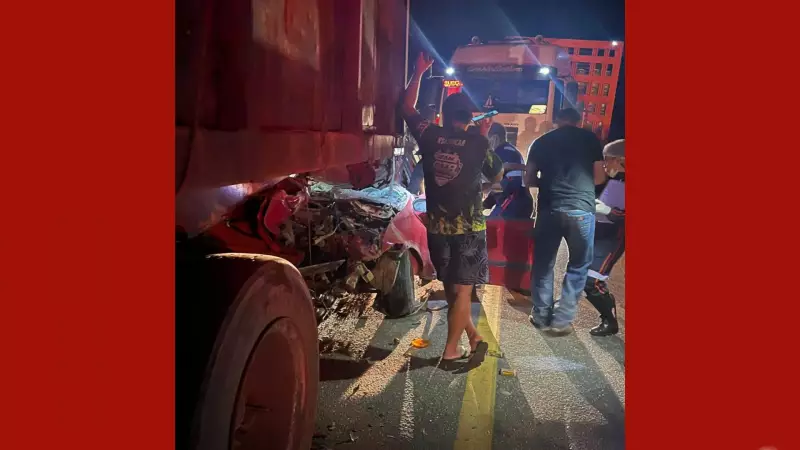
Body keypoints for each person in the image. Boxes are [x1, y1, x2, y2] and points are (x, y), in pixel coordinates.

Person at [402, 53, 504, 361]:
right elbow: (496, 174)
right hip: (469, 230)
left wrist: (419, 72)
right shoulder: (477, 142)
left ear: (444, 116)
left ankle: (473, 339)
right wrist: (483, 136)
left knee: (451, 286)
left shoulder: (430, 135)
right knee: (463, 291)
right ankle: (449, 350)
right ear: (469, 117)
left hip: (436, 228)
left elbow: (406, 107)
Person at [525, 108, 607, 335]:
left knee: (543, 264)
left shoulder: (541, 142)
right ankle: (561, 318)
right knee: (579, 264)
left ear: (556, 121)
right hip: (581, 209)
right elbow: (600, 177)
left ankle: (541, 315)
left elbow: (529, 179)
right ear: (578, 120)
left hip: (550, 209)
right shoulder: (590, 140)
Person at [585, 139, 625, 336]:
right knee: (585, 277)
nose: (605, 164)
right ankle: (608, 317)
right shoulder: (617, 179)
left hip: (614, 238)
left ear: (621, 160)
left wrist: (609, 211)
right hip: (602, 232)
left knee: (592, 281)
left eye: (608, 160)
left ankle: (610, 321)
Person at [483, 123, 534, 219]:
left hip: (513, 206)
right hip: (514, 204)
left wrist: (487, 188)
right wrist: (486, 205)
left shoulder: (505, 153)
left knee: (489, 228)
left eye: (485, 139)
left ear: (494, 138)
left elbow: (512, 184)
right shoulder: (506, 151)